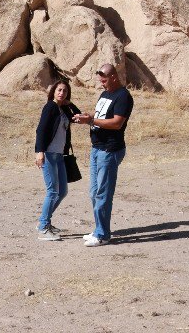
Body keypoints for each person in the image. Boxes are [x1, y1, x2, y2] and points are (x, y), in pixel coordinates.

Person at [72, 63, 134, 247]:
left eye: (104, 79)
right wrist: (88, 116)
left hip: (110, 150)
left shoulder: (123, 96)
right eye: (100, 79)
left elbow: (116, 123)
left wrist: (90, 120)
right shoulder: (105, 93)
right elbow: (102, 116)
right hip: (97, 148)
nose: (101, 82)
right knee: (94, 192)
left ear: (114, 76)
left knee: (103, 193)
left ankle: (103, 235)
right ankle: (99, 227)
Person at [34, 80, 80, 241]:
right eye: (59, 90)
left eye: (65, 91)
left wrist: (70, 103)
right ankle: (43, 227)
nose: (61, 93)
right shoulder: (50, 107)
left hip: (60, 155)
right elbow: (41, 130)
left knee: (62, 192)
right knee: (53, 191)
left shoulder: (63, 109)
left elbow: (78, 117)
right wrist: (39, 152)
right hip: (48, 154)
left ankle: (44, 222)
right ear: (53, 91)